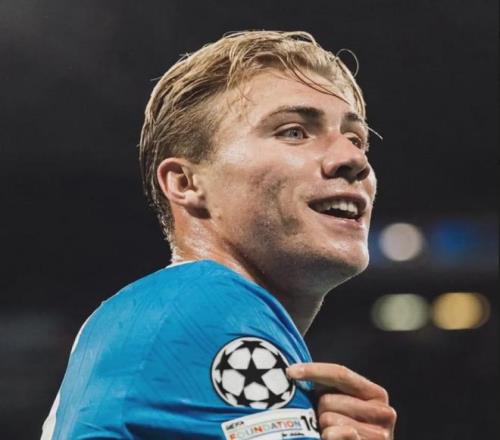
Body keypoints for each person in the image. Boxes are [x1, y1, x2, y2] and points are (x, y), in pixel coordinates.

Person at [42, 30, 396, 440]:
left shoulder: (151, 312)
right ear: (186, 183)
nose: (353, 159)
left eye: (356, 139)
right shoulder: (207, 308)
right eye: (294, 131)